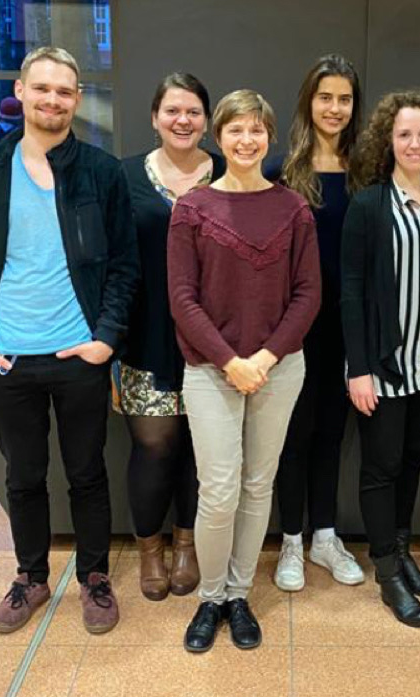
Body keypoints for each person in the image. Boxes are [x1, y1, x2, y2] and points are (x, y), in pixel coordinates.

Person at [0, 46, 139, 636]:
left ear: (77, 99)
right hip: (7, 356)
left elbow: (124, 266)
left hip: (78, 353)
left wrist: (105, 338)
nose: (52, 100)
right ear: (21, 90)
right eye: (42, 89)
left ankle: (95, 578)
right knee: (23, 477)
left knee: (87, 473)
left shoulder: (102, 172)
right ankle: (31, 577)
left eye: (64, 91)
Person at [170, 89, 320, 653]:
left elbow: (307, 295)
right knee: (219, 490)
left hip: (278, 369)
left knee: (259, 485)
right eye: (236, 129)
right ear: (219, 136)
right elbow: (182, 298)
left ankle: (239, 594)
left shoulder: (293, 209)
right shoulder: (192, 209)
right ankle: (210, 598)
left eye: (257, 129)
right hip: (211, 371)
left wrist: (264, 358)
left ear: (269, 137)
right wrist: (231, 361)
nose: (247, 139)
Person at [342, 90, 420, 627]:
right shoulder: (369, 205)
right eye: (404, 134)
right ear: (387, 141)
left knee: (413, 461)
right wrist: (358, 368)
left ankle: (401, 551)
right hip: (384, 367)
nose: (414, 143)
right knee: (381, 468)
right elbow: (350, 290)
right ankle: (387, 571)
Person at [119, 73, 224, 601]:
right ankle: (150, 550)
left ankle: (187, 545)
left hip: (216, 338)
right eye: (172, 111)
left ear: (207, 120)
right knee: (154, 446)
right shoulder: (124, 177)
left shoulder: (229, 172)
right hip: (146, 334)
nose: (183, 120)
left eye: (193, 112)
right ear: (155, 117)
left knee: (203, 448)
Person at [267, 55, 366, 593]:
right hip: (292, 329)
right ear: (309, 101)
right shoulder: (280, 173)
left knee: (331, 431)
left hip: (347, 327)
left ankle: (324, 537)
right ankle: (290, 541)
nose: (335, 108)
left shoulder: (369, 171)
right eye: (325, 97)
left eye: (344, 99)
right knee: (294, 435)